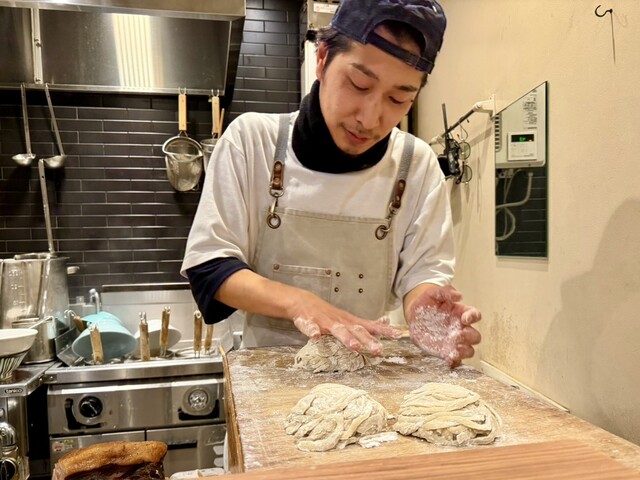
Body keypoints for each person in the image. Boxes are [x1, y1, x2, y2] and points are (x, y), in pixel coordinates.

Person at [181, 0, 481, 367]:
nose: (370, 118)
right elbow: (210, 268)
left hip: (368, 370)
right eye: (359, 85)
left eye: (398, 98)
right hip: (268, 374)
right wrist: (301, 302)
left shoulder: (414, 165)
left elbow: (424, 271)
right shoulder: (253, 141)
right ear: (322, 59)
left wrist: (424, 307)